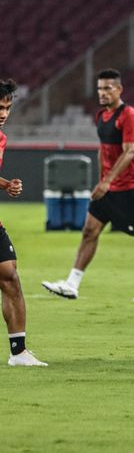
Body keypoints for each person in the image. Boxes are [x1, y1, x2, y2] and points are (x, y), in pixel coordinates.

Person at [42, 69, 134, 302]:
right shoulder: (101, 116)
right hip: (108, 188)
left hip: (129, 187)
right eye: (100, 88)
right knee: (89, 231)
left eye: (108, 88)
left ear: (119, 90)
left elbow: (130, 152)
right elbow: (103, 151)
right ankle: (72, 284)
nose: (102, 92)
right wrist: (102, 180)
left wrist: (107, 182)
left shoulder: (128, 115)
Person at [0, 79, 47, 367]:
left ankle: (18, 352)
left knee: (10, 275)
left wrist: (5, 184)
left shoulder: (1, 138)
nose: (3, 113)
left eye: (7, 107)